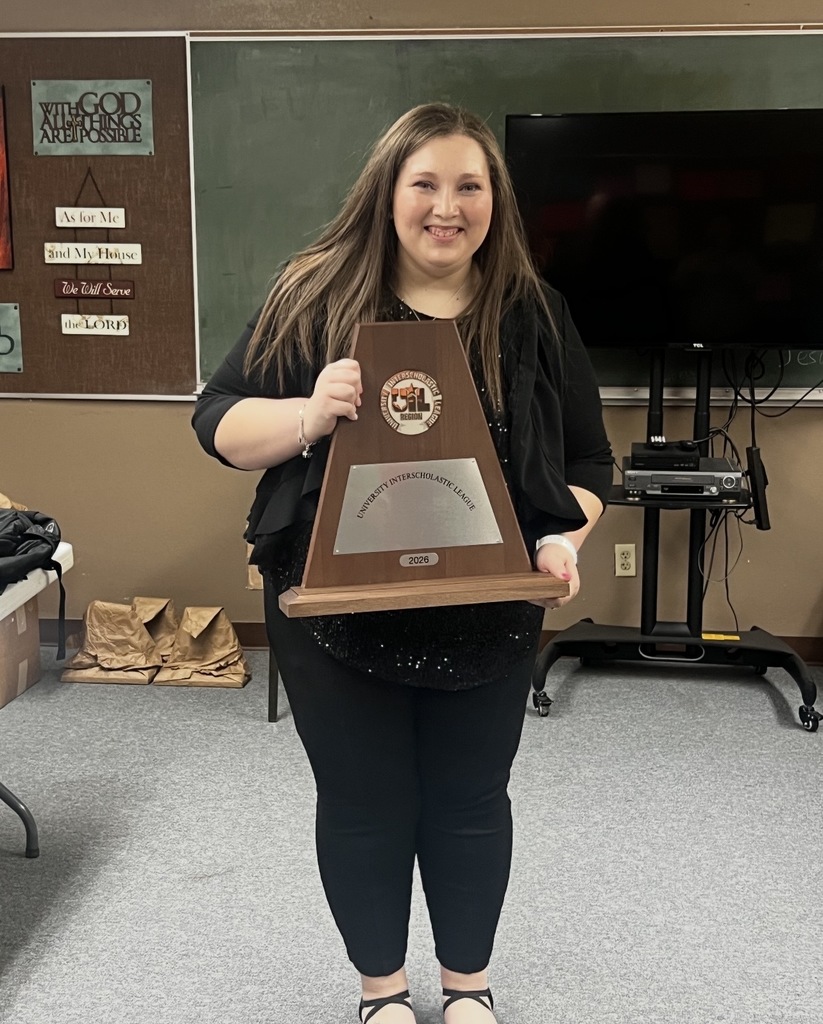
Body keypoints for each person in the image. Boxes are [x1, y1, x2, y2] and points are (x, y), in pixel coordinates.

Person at [193, 102, 612, 1024]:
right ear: (387, 194)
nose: (446, 206)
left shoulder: (534, 314)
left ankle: (468, 988)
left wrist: (558, 537)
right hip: (333, 612)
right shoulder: (316, 294)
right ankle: (381, 994)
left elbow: (587, 467)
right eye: (424, 183)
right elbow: (217, 421)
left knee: (469, 801)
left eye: (469, 186)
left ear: (494, 201)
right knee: (363, 804)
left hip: (489, 608)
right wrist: (307, 413)